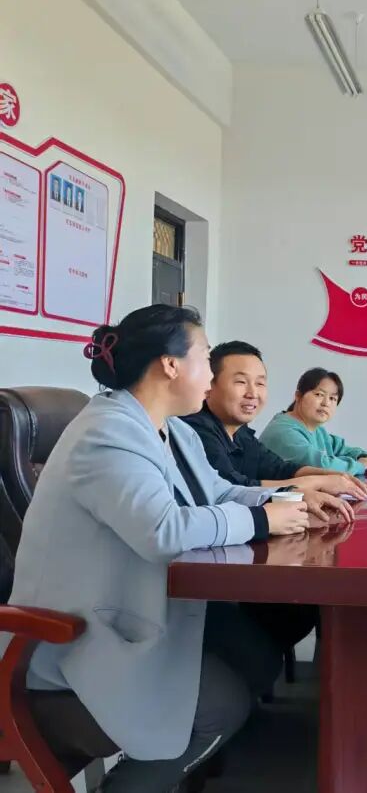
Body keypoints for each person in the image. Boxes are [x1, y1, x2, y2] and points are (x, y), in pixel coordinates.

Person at [6, 305, 312, 792]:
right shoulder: (105, 432)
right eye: (206, 357)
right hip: (79, 638)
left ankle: (186, 772)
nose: (210, 373)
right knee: (221, 705)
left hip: (135, 608)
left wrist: (291, 500)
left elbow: (218, 492)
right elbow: (162, 529)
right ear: (170, 365)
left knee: (254, 654)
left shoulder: (174, 430)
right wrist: (261, 519)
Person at [182, 342, 367, 654]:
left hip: (245, 553)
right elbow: (233, 487)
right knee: (303, 603)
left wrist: (325, 478)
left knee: (311, 600)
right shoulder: (195, 432)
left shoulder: (241, 433)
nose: (252, 393)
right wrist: (311, 484)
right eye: (240, 382)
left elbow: (279, 467)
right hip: (215, 574)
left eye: (260, 383)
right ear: (208, 385)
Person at [259, 368, 367, 478]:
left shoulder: (316, 429)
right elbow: (323, 466)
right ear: (298, 396)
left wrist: (363, 456)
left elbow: (340, 448)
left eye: (332, 398)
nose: (326, 403)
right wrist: (360, 466)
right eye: (319, 395)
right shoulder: (283, 432)